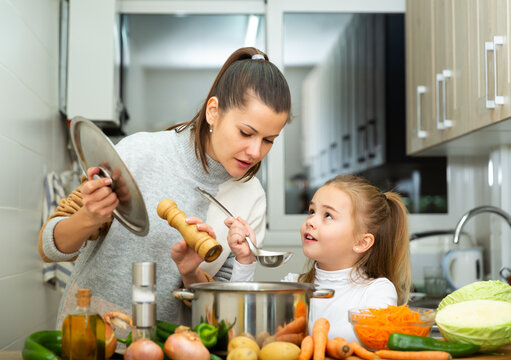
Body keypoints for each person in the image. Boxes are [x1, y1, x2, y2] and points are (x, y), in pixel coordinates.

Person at [38, 47, 291, 328]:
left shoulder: (251, 197)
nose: (255, 151)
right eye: (246, 132)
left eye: (269, 140)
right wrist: (89, 217)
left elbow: (218, 311)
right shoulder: (139, 152)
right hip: (89, 333)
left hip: (169, 344)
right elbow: (50, 246)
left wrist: (190, 271)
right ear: (213, 112)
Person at [228, 174, 411, 342]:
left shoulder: (377, 290)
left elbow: (368, 341)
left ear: (362, 242)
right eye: (312, 211)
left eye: (328, 215)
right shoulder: (293, 285)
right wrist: (245, 260)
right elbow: (239, 325)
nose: (311, 221)